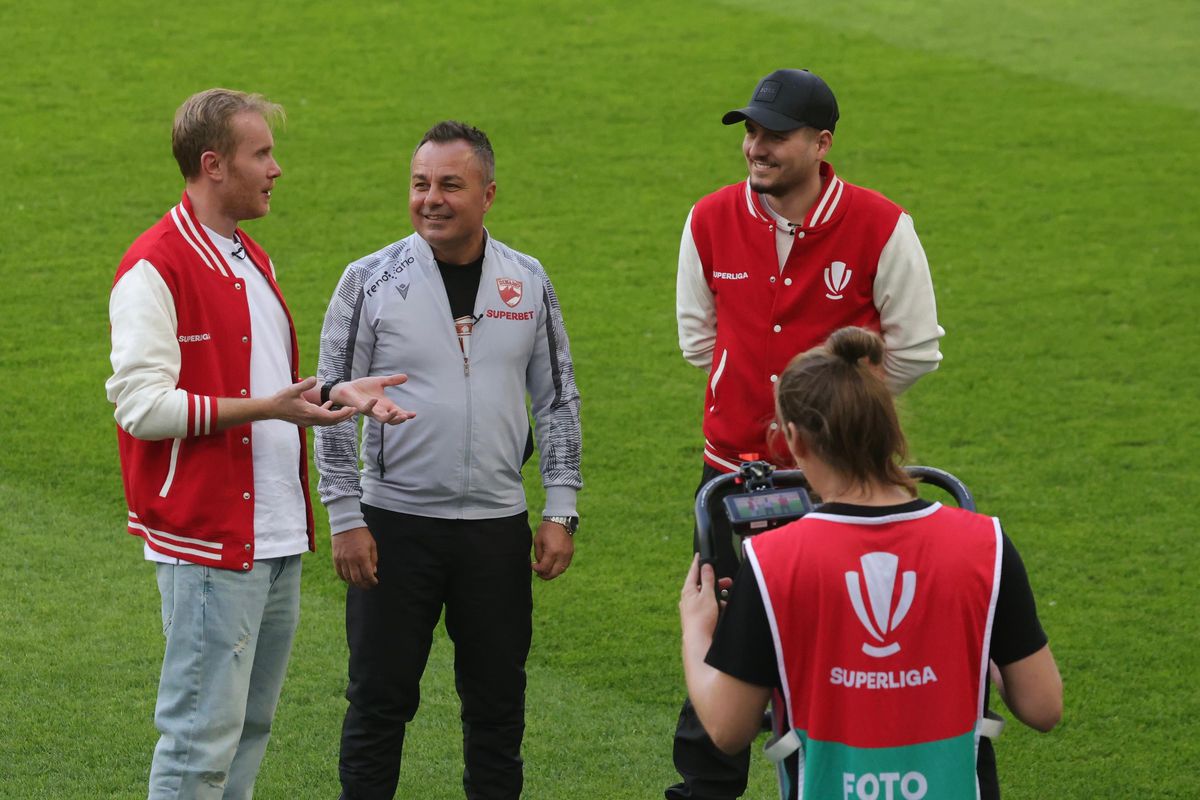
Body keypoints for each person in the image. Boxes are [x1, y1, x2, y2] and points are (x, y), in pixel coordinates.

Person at [106, 88, 411, 799]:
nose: (276, 169)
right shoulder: (155, 268)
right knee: (199, 741)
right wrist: (263, 408)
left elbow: (273, 395)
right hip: (210, 540)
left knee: (246, 730)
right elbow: (139, 405)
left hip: (271, 537)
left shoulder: (248, 257)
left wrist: (336, 396)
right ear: (213, 164)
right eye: (262, 153)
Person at [670, 68, 946, 798]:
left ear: (821, 144)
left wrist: (833, 419)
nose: (756, 147)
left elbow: (917, 349)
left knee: (843, 649)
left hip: (838, 483)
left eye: (775, 135)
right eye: (750, 132)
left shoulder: (883, 226)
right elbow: (701, 339)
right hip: (731, 475)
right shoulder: (708, 219)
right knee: (729, 639)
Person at [314, 119, 583, 800]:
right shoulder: (369, 280)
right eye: (420, 184)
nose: (430, 198)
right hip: (393, 524)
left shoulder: (528, 280)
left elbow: (557, 400)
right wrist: (345, 516)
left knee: (497, 710)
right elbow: (330, 404)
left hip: (496, 530)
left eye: (449, 185)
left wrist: (560, 508)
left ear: (487, 194)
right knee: (378, 704)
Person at [679, 327, 1063, 800]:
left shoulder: (773, 560)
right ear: (889, 429)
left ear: (794, 440)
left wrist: (696, 629)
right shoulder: (986, 544)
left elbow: (726, 727)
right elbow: (1043, 706)